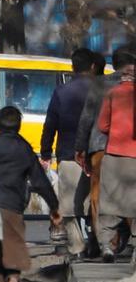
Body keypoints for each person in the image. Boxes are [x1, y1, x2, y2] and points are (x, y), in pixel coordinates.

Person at [0, 106, 60, 282]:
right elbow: (40, 181)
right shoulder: (24, 148)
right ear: (19, 126)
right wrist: (54, 206)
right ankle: (14, 281)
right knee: (12, 251)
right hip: (13, 209)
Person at [40, 48, 95, 255]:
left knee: (69, 206)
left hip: (68, 154)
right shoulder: (103, 91)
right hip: (98, 155)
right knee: (94, 203)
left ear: (73, 67)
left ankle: (77, 245)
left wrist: (46, 152)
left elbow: (50, 124)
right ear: (92, 67)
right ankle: (96, 243)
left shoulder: (61, 92)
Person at [76, 46, 127, 256]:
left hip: (99, 146)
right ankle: (124, 241)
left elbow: (87, 118)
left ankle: (101, 242)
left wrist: (80, 147)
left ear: (113, 64)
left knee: (98, 195)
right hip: (127, 147)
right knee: (127, 192)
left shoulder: (99, 84)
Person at [94, 52, 136, 263]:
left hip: (114, 153)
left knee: (110, 202)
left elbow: (102, 126)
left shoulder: (113, 93)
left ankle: (106, 246)